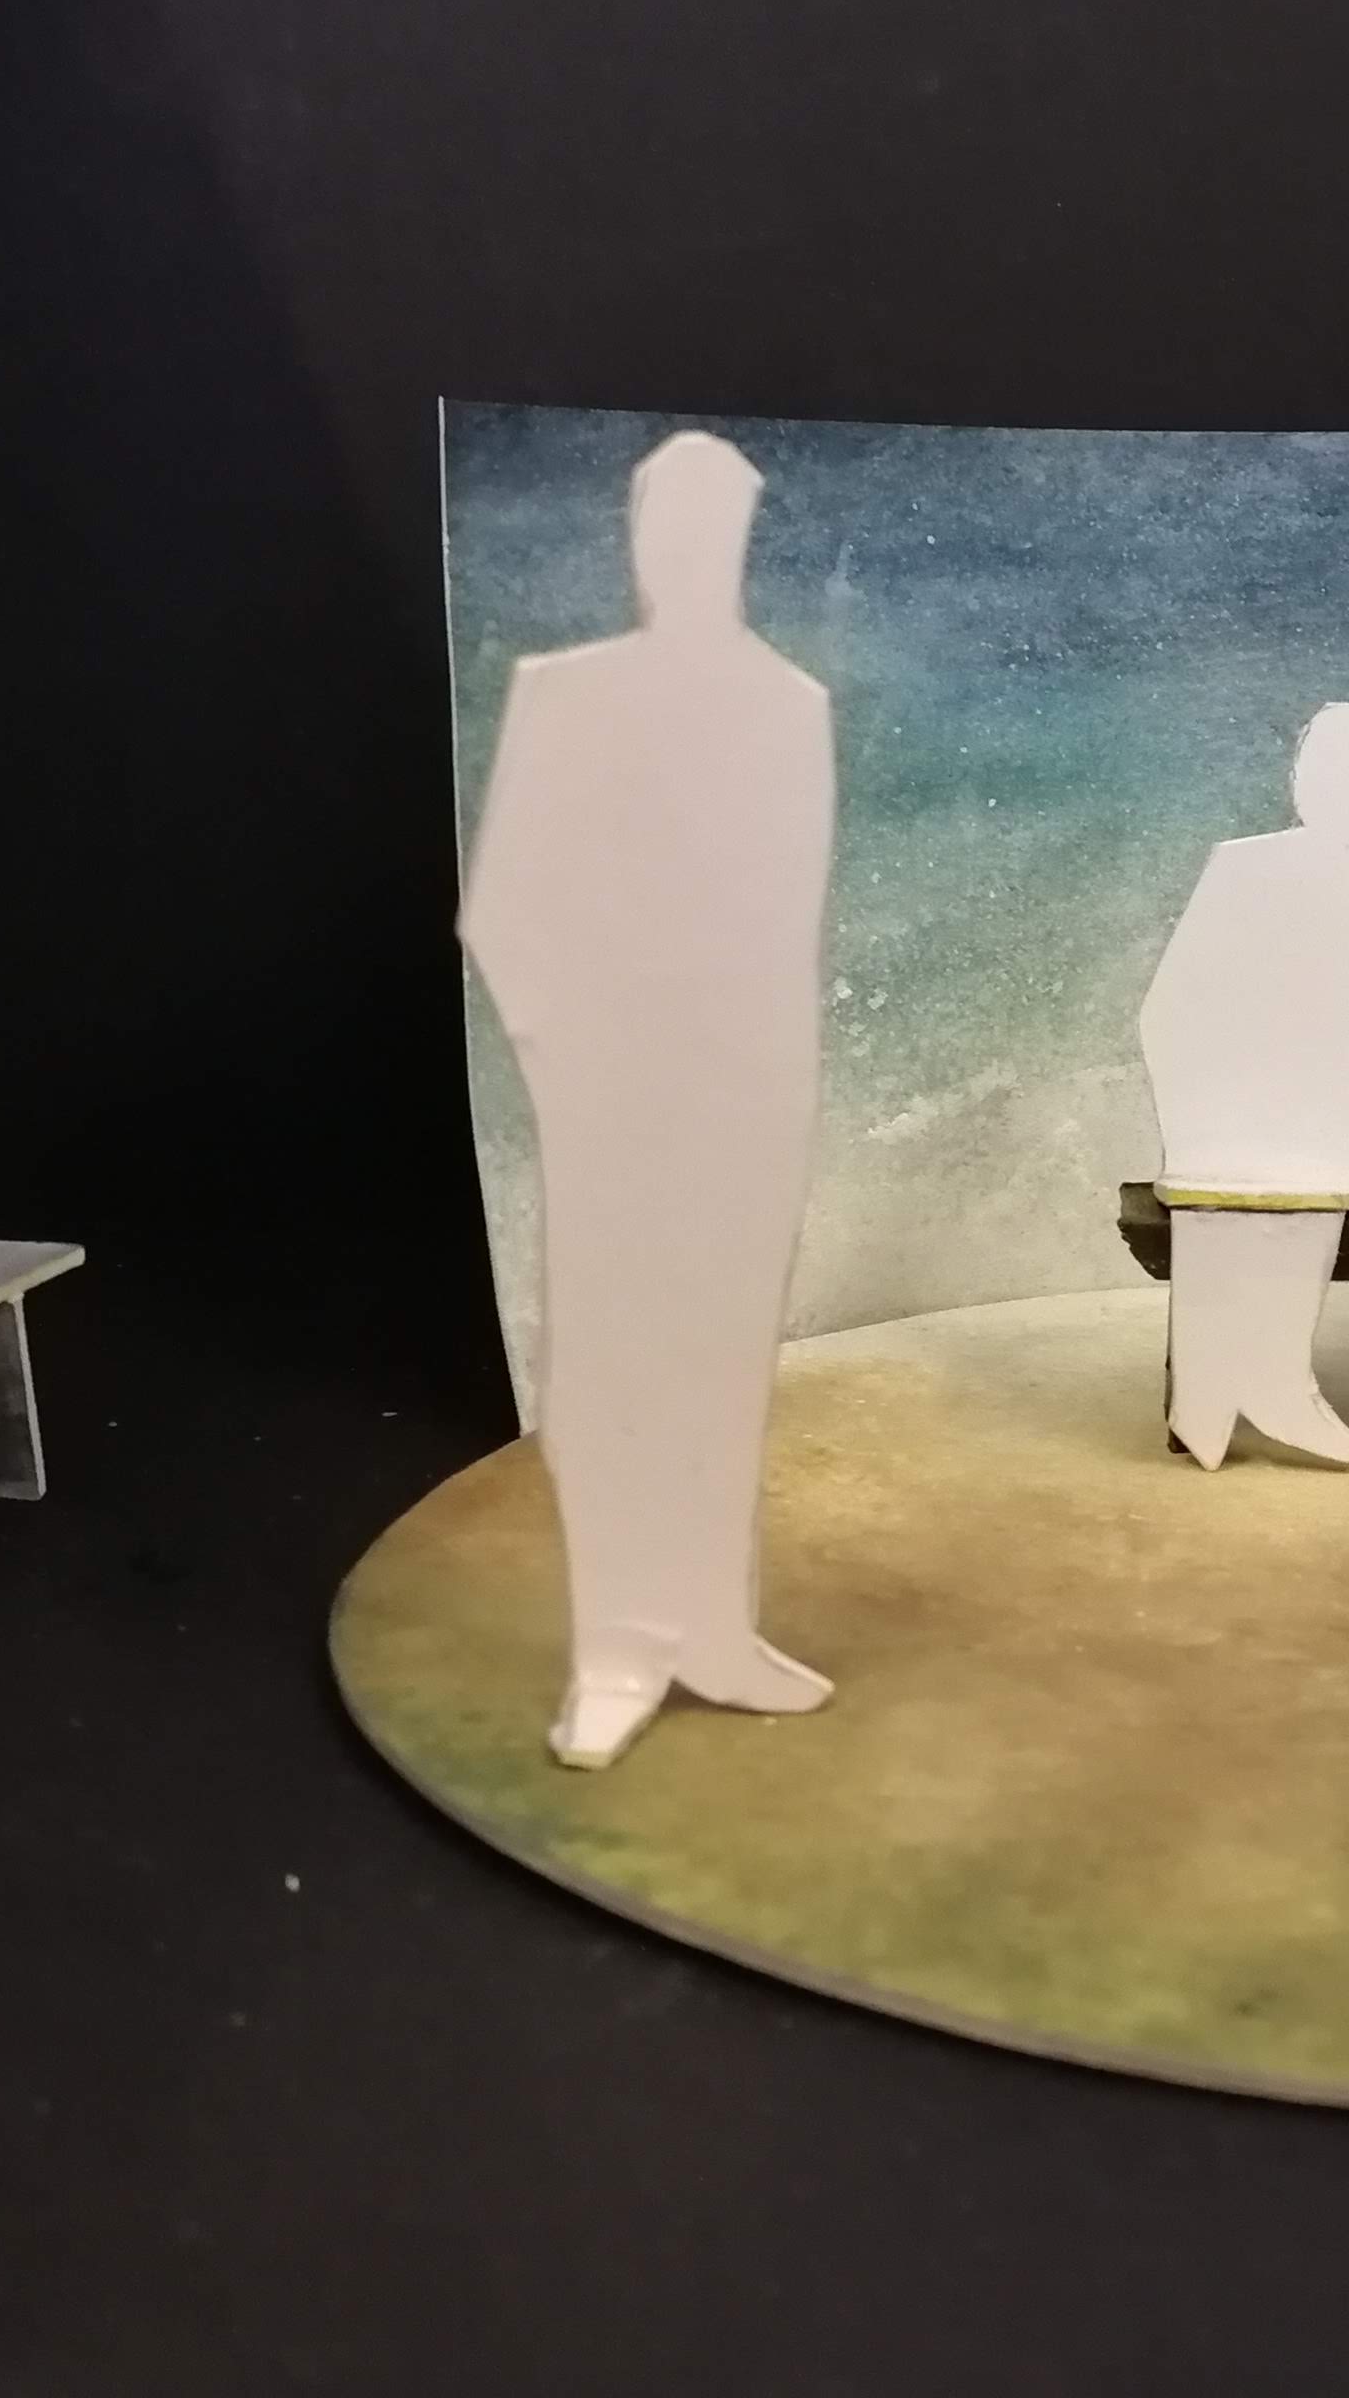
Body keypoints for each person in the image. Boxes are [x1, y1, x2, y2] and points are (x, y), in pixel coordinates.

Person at [459, 431, 836, 1764]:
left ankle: (714, 1630)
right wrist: (573, 1067)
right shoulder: (567, 696)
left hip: (747, 1097)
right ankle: (618, 1648)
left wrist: (771, 1086)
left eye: (714, 522)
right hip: (612, 1095)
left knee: (720, 1364)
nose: (688, 547)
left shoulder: (790, 706)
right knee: (615, 1368)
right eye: (665, 521)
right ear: (637, 538)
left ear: (739, 537)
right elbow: (504, 910)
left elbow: (787, 923)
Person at [1138, 703, 1349, 1470]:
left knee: (1312, 1190)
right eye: (1315, 764)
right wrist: (1196, 1098)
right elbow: (1176, 996)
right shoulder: (1242, 866)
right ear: (1298, 772)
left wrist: (1330, 1113)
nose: (1326, 782)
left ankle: (1278, 1384)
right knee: (1216, 1200)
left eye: (1348, 767)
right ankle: (1206, 1401)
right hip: (1216, 1095)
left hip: (1319, 1108)